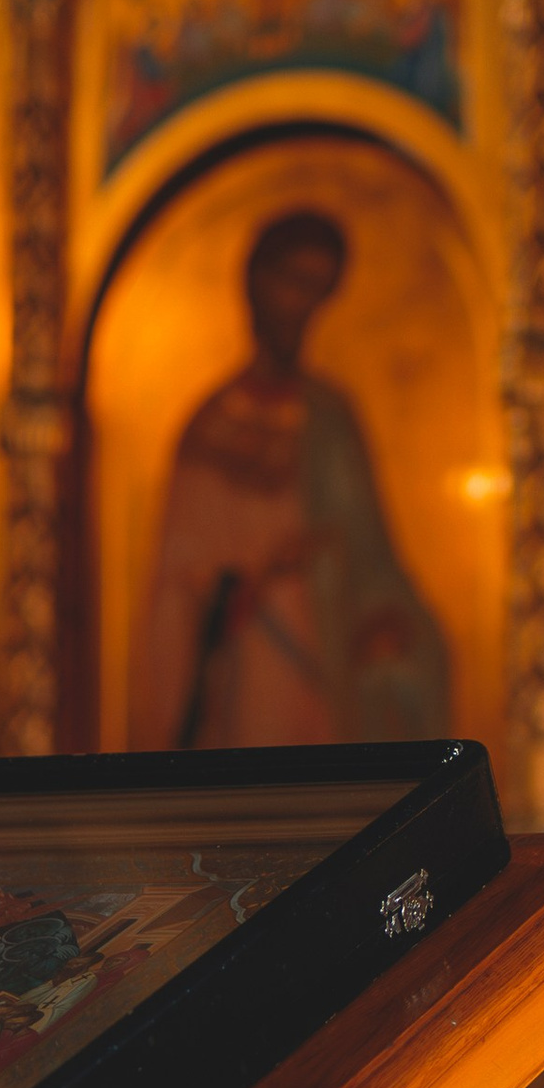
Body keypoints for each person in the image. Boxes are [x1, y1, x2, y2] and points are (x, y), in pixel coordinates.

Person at [134, 210, 447, 751]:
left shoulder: (330, 417)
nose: (299, 308)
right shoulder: (210, 425)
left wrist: (384, 620)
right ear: (257, 283)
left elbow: (372, 557)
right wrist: (248, 581)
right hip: (251, 665)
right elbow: (178, 583)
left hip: (328, 658)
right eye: (292, 283)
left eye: (317, 291)